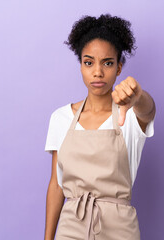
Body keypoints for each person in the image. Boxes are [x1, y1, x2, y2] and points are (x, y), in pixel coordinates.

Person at [44, 13, 156, 240]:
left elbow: (148, 110)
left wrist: (138, 95)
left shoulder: (130, 116)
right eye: (88, 62)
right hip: (71, 227)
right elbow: (56, 185)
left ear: (118, 68)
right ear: (81, 66)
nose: (97, 72)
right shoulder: (61, 118)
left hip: (119, 229)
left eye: (107, 63)